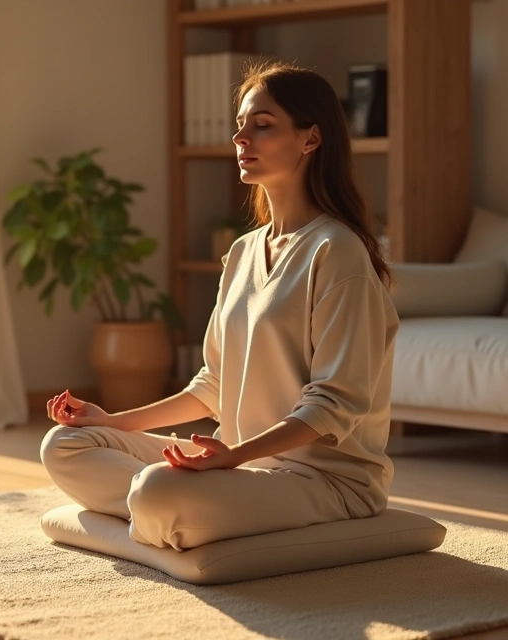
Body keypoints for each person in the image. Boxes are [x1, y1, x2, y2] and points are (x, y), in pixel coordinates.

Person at [39, 60, 398, 552]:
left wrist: (231, 458)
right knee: (65, 445)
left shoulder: (337, 252)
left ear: (311, 139)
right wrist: (111, 422)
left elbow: (334, 406)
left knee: (157, 489)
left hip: (322, 482)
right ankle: (172, 513)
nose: (241, 138)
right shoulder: (244, 251)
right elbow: (213, 385)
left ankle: (165, 510)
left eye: (262, 126)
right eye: (240, 126)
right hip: (239, 467)